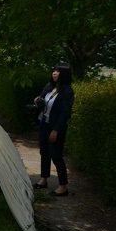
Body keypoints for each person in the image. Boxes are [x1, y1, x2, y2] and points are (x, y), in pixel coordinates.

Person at [32, 62, 75, 196]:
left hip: (55, 127)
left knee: (56, 156)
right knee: (44, 153)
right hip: (43, 123)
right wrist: (37, 100)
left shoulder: (67, 92)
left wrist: (56, 130)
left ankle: (63, 187)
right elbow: (40, 98)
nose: (54, 73)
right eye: (54, 70)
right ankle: (43, 180)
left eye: (58, 71)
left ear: (64, 74)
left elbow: (65, 114)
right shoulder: (49, 86)